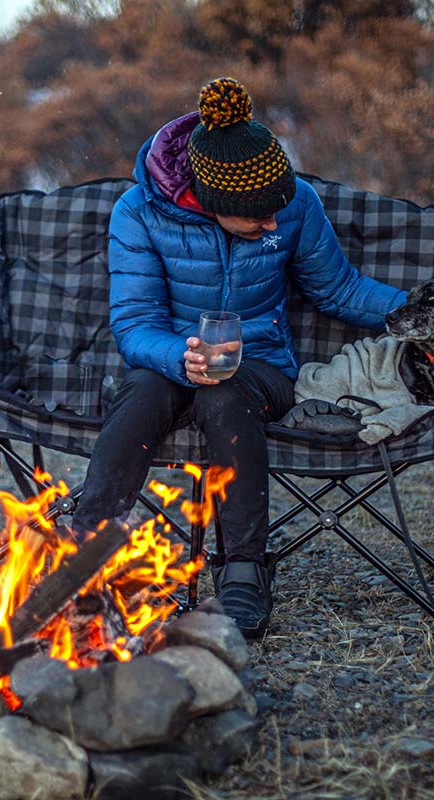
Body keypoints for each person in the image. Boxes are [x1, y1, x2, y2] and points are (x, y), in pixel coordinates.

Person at [68, 77, 406, 638]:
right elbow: (134, 324)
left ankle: (244, 569)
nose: (272, 224)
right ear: (211, 203)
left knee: (226, 392)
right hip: (171, 360)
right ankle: (84, 558)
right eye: (257, 218)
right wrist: (183, 357)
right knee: (144, 393)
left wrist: (413, 313)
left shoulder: (293, 201)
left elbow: (338, 290)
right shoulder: (140, 212)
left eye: (277, 211)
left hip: (261, 368)